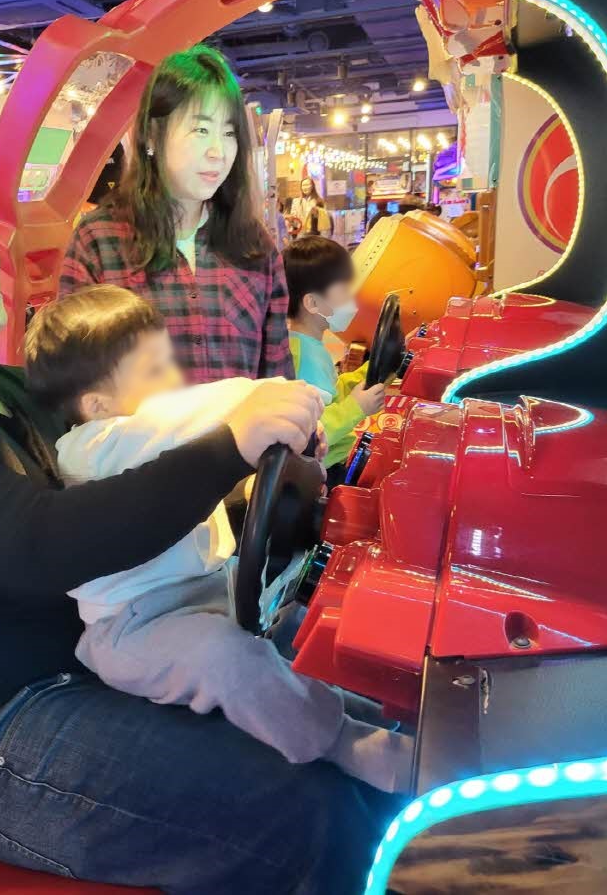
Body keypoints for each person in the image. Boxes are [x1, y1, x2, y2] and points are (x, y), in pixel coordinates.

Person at [0, 147, 395, 894]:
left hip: (103, 661)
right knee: (308, 811)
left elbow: (134, 461)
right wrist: (229, 447)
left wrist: (257, 465)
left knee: (351, 708)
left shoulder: (14, 390)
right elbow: (43, 544)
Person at [25, 284, 412, 793]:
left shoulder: (151, 444)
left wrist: (291, 435)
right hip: (133, 629)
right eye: (155, 371)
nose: (175, 380)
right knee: (225, 657)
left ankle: (371, 711)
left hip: (209, 590)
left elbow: (207, 445)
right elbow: (180, 417)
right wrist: (273, 399)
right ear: (97, 404)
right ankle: (340, 741)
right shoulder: (91, 447)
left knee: (291, 621)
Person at [60, 45, 293, 384]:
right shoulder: (99, 241)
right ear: (153, 136)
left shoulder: (253, 245)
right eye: (201, 130)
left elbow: (277, 379)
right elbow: (74, 382)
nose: (218, 152)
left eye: (229, 133)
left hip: (246, 423)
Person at [284, 236, 386, 476]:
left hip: (331, 461)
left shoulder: (306, 345)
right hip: (322, 472)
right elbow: (312, 433)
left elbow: (330, 394)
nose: (351, 301)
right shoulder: (304, 360)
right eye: (342, 292)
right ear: (312, 302)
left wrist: (373, 370)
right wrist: (356, 407)